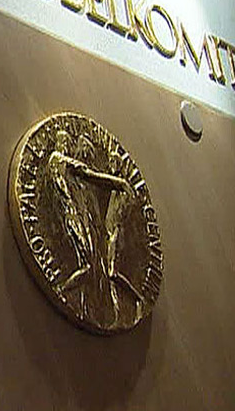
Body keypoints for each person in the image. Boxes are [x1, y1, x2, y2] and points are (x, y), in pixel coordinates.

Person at [47, 131, 143, 328]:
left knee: (98, 270)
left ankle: (82, 303)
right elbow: (91, 176)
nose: (70, 147)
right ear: (61, 143)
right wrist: (119, 183)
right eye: (67, 143)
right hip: (73, 218)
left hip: (77, 219)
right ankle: (62, 291)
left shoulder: (57, 163)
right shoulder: (60, 159)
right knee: (89, 267)